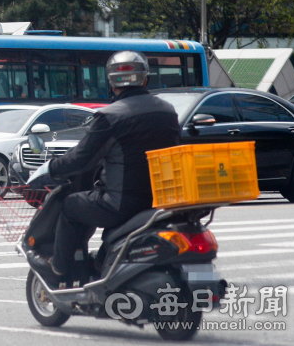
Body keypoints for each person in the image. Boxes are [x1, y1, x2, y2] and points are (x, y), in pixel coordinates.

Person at [28, 51, 181, 286]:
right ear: (146, 79)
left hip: (121, 204)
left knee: (70, 205)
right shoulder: (167, 111)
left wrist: (49, 168)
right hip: (162, 200)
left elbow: (81, 158)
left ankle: (58, 267)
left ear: (111, 83)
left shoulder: (110, 116)